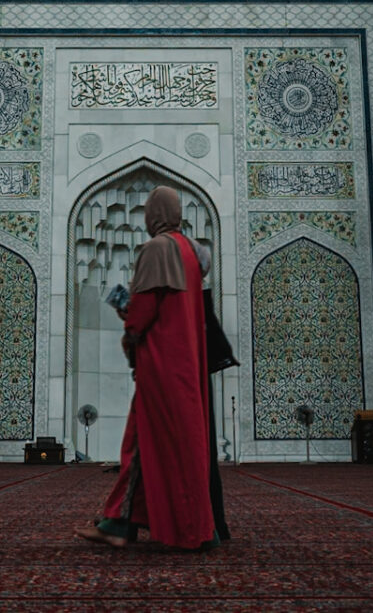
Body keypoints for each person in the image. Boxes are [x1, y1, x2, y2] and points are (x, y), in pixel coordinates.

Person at [75, 185, 219, 551]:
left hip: (162, 364)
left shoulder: (157, 249)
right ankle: (138, 522)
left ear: (153, 215)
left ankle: (123, 526)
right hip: (187, 364)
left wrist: (128, 322)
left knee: (141, 442)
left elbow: (144, 310)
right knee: (173, 444)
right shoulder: (192, 251)